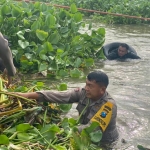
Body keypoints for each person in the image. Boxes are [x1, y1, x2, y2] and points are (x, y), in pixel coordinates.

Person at [15, 71, 119, 147]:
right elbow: (59, 95)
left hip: (104, 143)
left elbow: (92, 128)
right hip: (82, 134)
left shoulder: (109, 106)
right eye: (86, 84)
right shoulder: (84, 93)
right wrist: (27, 95)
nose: (86, 88)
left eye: (90, 86)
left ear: (102, 89)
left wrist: (65, 131)